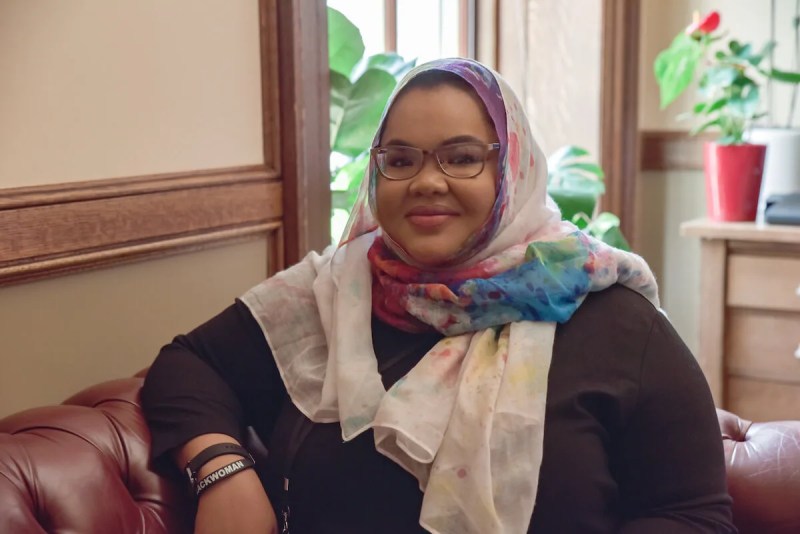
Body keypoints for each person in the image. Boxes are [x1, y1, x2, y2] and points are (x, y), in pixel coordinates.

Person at [141, 58, 735, 533]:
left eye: (462, 157)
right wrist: (221, 472)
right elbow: (190, 365)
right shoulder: (329, 296)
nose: (427, 181)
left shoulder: (618, 323)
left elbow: (691, 514)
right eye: (400, 160)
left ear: (512, 170)